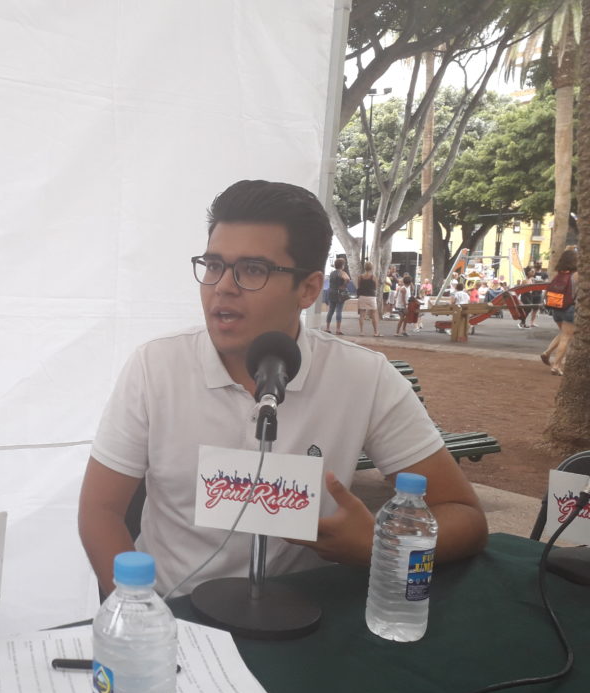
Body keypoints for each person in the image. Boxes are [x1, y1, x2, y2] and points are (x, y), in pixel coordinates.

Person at [77, 179, 487, 598]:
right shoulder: (155, 367)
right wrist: (141, 614)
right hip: (177, 612)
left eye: (253, 270)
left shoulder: (363, 377)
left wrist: (378, 546)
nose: (223, 286)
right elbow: (100, 510)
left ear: (308, 289)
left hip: (304, 617)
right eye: (214, 265)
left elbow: (464, 515)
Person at [540, 247, 579, 376]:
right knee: (566, 337)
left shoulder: (558, 274)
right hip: (570, 308)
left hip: (556, 308)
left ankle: (547, 352)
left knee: (563, 333)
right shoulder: (576, 275)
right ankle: (556, 366)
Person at [324, 257, 350, 335]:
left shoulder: (332, 273)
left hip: (331, 292)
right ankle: (338, 329)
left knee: (330, 311)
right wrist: (344, 285)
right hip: (339, 293)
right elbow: (347, 279)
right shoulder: (342, 273)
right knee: (339, 311)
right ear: (342, 265)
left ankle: (327, 328)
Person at [355, 261, 381, 336]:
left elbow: (359, 287)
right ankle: (376, 332)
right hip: (371, 297)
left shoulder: (360, 277)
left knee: (362, 315)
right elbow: (375, 288)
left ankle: (361, 331)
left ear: (364, 267)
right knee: (374, 314)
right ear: (372, 268)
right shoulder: (373, 277)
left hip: (362, 296)